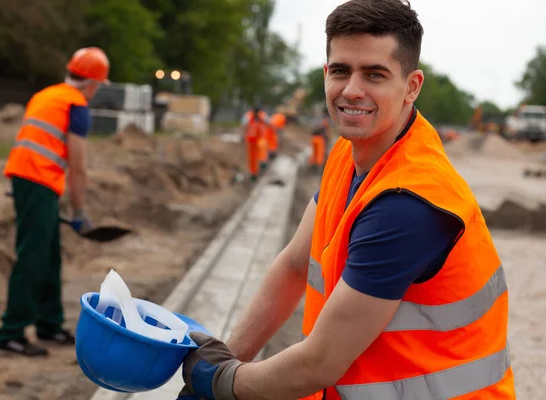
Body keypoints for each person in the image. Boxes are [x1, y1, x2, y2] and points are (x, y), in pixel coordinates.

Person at [178, 0, 515, 399]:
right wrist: (230, 356)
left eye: (375, 74)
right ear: (325, 74)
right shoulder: (349, 153)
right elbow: (293, 266)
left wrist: (220, 382)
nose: (352, 90)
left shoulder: (408, 204)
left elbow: (319, 362)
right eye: (340, 71)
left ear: (412, 86)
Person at [0, 47, 110, 357]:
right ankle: (11, 332)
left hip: (27, 178)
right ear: (92, 84)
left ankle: (49, 324)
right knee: (33, 256)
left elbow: (32, 141)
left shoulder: (46, 95)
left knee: (49, 255)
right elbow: (79, 166)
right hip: (37, 181)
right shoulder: (76, 106)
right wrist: (80, 211)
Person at [241, 106, 270, 181]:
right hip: (251, 140)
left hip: (260, 138)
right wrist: (243, 136)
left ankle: (263, 161)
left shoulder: (263, 116)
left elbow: (269, 124)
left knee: (262, 147)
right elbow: (243, 126)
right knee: (252, 158)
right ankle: (254, 173)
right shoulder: (247, 116)